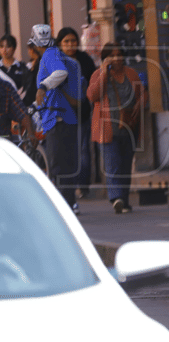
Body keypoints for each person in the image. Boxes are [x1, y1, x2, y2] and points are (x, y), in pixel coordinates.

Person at [87, 43, 146, 214]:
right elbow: (92, 95)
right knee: (113, 164)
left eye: (119, 54)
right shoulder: (98, 74)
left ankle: (124, 201)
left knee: (126, 165)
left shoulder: (131, 73)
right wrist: (104, 73)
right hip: (107, 129)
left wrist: (140, 103)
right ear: (105, 58)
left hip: (129, 126)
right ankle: (116, 198)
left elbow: (142, 93)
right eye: (112, 55)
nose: (116, 58)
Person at [33, 24, 84, 211]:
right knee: (66, 165)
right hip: (64, 118)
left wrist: (43, 86)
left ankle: (66, 206)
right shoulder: (56, 56)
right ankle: (70, 204)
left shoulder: (50, 55)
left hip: (58, 119)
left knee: (58, 166)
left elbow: (60, 74)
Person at [56, 27, 98, 199]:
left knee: (82, 150)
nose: (70, 44)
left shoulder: (85, 60)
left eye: (73, 41)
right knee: (64, 153)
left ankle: (83, 186)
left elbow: (92, 83)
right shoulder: (55, 60)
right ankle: (66, 189)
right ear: (60, 44)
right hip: (60, 116)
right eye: (66, 41)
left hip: (82, 113)